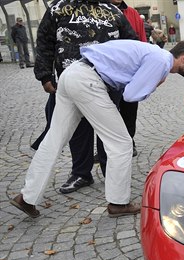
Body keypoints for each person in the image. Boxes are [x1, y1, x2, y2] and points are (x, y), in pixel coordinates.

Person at [10, 40, 184, 219]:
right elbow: (131, 95)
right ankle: (118, 203)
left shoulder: (154, 53)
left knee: (54, 140)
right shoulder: (162, 60)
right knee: (121, 143)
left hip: (73, 73)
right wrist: (153, 85)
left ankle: (27, 197)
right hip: (89, 81)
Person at [32, 0, 138, 195]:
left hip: (109, 80)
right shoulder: (58, 8)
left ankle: (111, 173)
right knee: (78, 130)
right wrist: (45, 75)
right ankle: (81, 173)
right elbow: (44, 41)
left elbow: (131, 43)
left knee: (109, 128)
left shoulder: (112, 10)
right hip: (71, 81)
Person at [95, 0, 147, 173]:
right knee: (108, 112)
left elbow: (141, 41)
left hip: (130, 71)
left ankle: (129, 141)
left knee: (130, 110)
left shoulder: (132, 13)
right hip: (108, 72)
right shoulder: (98, 10)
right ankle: (106, 151)